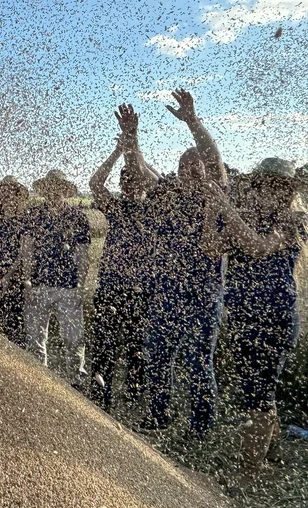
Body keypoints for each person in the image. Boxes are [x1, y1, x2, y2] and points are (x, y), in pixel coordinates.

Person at [200, 158, 305, 492]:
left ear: (287, 191)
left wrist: (224, 207)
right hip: (244, 318)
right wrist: (210, 210)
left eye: (275, 187)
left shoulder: (294, 221)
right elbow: (210, 247)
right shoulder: (246, 219)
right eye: (261, 186)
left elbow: (258, 248)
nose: (265, 193)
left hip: (273, 321)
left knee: (258, 397)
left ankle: (248, 474)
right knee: (256, 394)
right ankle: (268, 452)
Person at [139, 89, 228, 436]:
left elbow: (213, 155)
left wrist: (192, 121)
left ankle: (199, 428)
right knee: (157, 355)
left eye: (195, 167)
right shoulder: (168, 194)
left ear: (207, 171)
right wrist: (131, 142)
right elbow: (141, 171)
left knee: (197, 363)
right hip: (167, 291)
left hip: (203, 296)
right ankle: (158, 416)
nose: (188, 172)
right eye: (182, 167)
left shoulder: (217, 194)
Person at [87, 105, 159, 411]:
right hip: (111, 286)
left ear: (143, 183)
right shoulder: (117, 208)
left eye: (135, 180)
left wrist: (133, 142)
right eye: (125, 182)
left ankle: (132, 397)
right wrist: (118, 151)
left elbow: (155, 181)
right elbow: (95, 184)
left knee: (136, 348)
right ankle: (100, 394)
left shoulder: (156, 208)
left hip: (141, 290)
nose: (130, 185)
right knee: (103, 343)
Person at [22, 170, 90, 388]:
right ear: (44, 190)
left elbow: (82, 254)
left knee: (73, 339)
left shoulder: (77, 217)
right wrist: (27, 280)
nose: (53, 192)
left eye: (58, 188)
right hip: (39, 285)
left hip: (68, 287)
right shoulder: (34, 215)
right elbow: (27, 249)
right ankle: (38, 382)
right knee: (36, 340)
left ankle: (76, 382)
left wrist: (80, 284)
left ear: (65, 191)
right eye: (49, 188)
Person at [0, 175, 31, 348]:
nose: (7, 196)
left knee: (15, 322)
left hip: (15, 278)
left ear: (17, 195)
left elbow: (23, 252)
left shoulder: (23, 221)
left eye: (11, 192)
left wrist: (7, 276)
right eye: (3, 192)